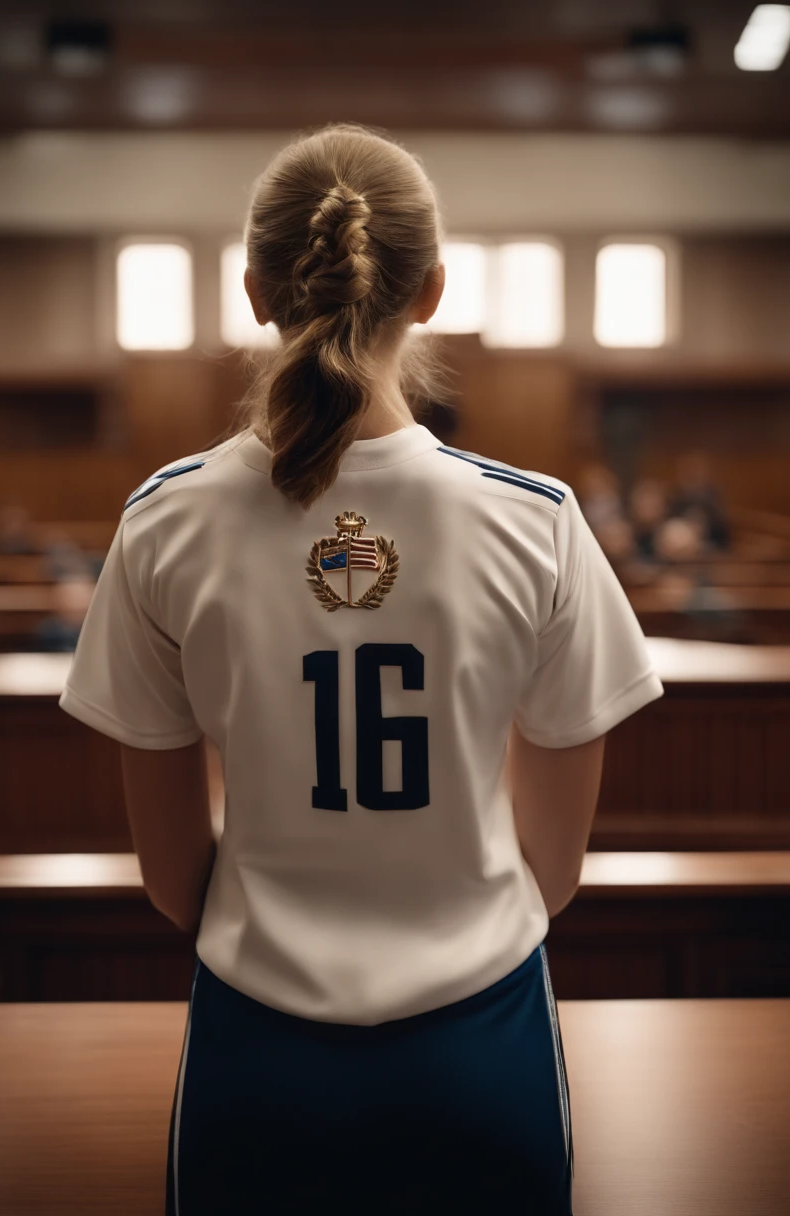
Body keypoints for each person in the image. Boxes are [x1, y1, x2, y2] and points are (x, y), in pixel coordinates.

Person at [58, 122, 664, 1216]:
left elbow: (168, 875)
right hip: (482, 1043)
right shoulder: (535, 521)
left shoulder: (164, 520)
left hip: (258, 1047)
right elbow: (553, 866)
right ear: (430, 290)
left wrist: (284, 947)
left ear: (253, 289)